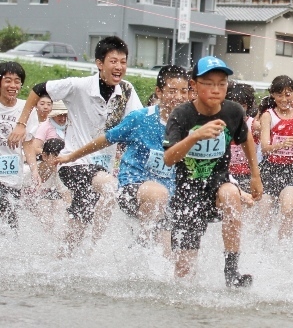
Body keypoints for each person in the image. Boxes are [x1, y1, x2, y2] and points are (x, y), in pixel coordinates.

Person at [12, 37, 141, 253]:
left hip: (102, 166)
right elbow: (38, 88)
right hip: (72, 162)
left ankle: (64, 255)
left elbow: (136, 121)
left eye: (123, 62)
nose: (119, 67)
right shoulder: (79, 86)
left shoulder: (126, 91)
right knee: (110, 188)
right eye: (113, 61)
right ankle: (94, 250)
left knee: (83, 212)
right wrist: (21, 123)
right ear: (100, 63)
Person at [55, 66, 191, 250]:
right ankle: (141, 245)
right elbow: (105, 140)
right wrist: (72, 156)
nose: (179, 97)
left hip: (166, 199)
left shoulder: (192, 126)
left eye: (184, 91)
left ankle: (136, 251)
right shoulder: (141, 118)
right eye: (172, 91)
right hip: (131, 188)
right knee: (158, 194)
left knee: (168, 256)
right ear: (158, 91)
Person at [163, 56, 262, 287]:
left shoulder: (233, 111)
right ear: (194, 85)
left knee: (230, 194)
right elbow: (169, 159)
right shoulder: (181, 115)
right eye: (208, 83)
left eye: (222, 83)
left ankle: (231, 272)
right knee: (184, 272)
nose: (216, 89)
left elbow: (245, 138)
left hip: (218, 183)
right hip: (188, 192)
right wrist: (195, 135)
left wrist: (255, 176)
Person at [258, 75, 293, 240]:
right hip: (269, 169)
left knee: (288, 209)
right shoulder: (268, 116)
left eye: (288, 94)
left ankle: (283, 245)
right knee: (264, 217)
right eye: (280, 95)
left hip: (291, 169)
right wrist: (280, 145)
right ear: (272, 94)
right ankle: (262, 247)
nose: (284, 99)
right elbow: (264, 148)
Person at [0, 62, 41, 230]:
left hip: (12, 175)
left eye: (17, 81)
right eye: (8, 80)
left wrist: (34, 170)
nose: (13, 85)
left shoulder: (26, 109)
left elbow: (28, 143)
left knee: (10, 225)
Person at [226, 81, 258, 193]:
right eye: (233, 104)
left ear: (247, 106)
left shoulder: (252, 124)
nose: (237, 109)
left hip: (246, 175)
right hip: (226, 174)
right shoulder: (220, 124)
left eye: (242, 106)